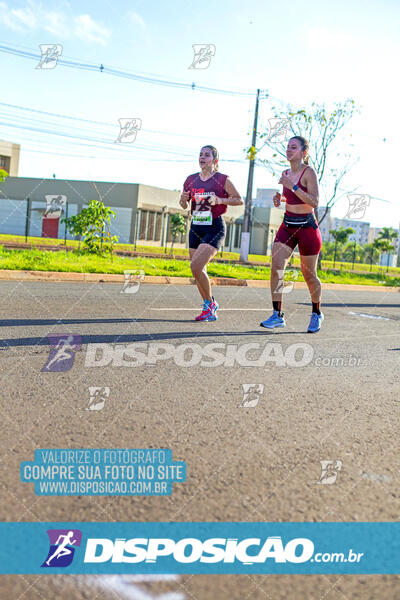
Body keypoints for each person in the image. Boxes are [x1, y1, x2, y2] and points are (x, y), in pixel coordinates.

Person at [260, 136, 323, 333]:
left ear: (304, 152)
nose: (288, 150)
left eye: (293, 147)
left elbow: (314, 201)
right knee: (276, 266)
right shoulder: (286, 173)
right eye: (287, 147)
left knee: (309, 274)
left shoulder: (308, 172)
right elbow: (290, 197)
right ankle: (277, 315)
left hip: (307, 228)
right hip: (288, 225)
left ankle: (316, 313)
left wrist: (293, 185)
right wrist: (280, 199)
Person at [180, 145, 243, 321]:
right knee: (198, 270)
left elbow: (239, 200)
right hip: (196, 226)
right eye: (200, 154)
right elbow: (185, 205)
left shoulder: (222, 179)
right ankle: (208, 307)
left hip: (214, 227)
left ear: (215, 161)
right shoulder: (191, 180)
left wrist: (220, 200)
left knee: (196, 266)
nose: (202, 157)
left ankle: (210, 303)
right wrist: (182, 201)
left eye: (207, 155)